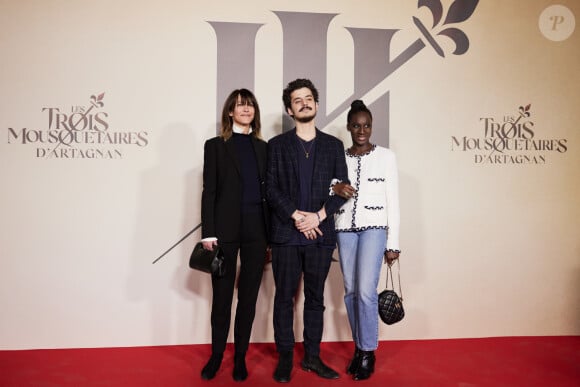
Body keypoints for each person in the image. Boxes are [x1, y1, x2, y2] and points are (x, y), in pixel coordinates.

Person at [266, 78, 349, 383]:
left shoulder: (333, 146)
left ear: (316, 103)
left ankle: (312, 357)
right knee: (284, 298)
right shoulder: (276, 146)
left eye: (308, 98)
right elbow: (271, 189)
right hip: (287, 235)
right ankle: (286, 356)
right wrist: (297, 216)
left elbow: (342, 189)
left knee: (315, 298)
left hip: (320, 235)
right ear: (290, 109)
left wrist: (318, 216)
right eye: (297, 100)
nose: (304, 102)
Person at [200, 88, 269, 382]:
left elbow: (269, 192)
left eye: (249, 104)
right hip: (224, 232)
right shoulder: (215, 146)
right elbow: (210, 192)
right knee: (222, 299)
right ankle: (217, 356)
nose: (245, 108)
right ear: (230, 111)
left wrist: (270, 236)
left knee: (249, 299)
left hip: (257, 231)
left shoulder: (263, 147)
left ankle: (240, 357)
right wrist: (209, 232)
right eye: (239, 105)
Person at [332, 100, 401, 381]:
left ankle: (368, 351)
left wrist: (392, 242)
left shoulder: (386, 156)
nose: (362, 130)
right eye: (357, 125)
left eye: (367, 125)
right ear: (349, 127)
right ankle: (359, 349)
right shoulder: (340, 156)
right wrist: (334, 187)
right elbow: (327, 185)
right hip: (344, 227)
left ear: (372, 127)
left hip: (375, 228)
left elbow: (393, 200)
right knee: (349, 291)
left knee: (365, 291)